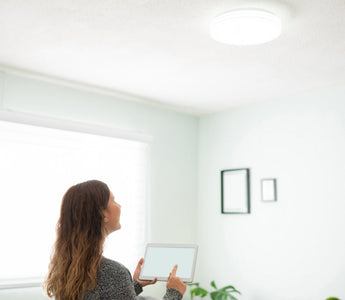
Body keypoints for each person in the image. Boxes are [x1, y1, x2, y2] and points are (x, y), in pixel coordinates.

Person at [44, 180, 186, 300]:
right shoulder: (112, 272)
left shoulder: (67, 266)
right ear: (102, 213)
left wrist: (134, 284)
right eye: (114, 200)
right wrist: (174, 292)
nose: (119, 206)